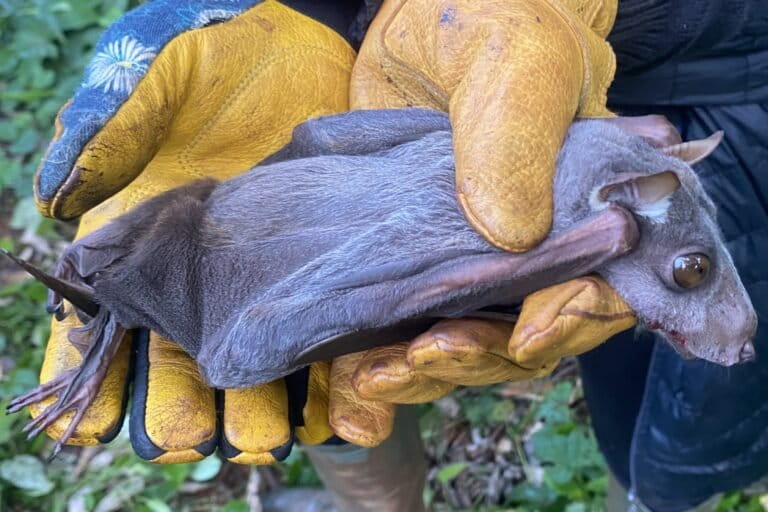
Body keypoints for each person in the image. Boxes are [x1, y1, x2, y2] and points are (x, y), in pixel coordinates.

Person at [28, 1, 768, 511]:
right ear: (608, 219)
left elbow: (326, 140)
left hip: (684, 71)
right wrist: (315, 12)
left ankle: (640, 495)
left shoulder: (610, 196)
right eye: (690, 272)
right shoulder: (564, 234)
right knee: (321, 386)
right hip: (299, 239)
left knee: (653, 414)